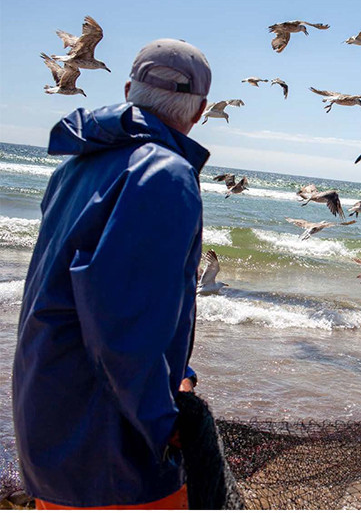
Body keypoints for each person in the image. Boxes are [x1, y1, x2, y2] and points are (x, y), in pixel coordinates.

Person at [13, 38, 212, 509]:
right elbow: (118, 326)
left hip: (48, 422)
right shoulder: (164, 174)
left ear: (128, 90)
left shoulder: (74, 169)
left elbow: (79, 293)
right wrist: (164, 422)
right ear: (200, 111)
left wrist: (176, 372)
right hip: (111, 454)